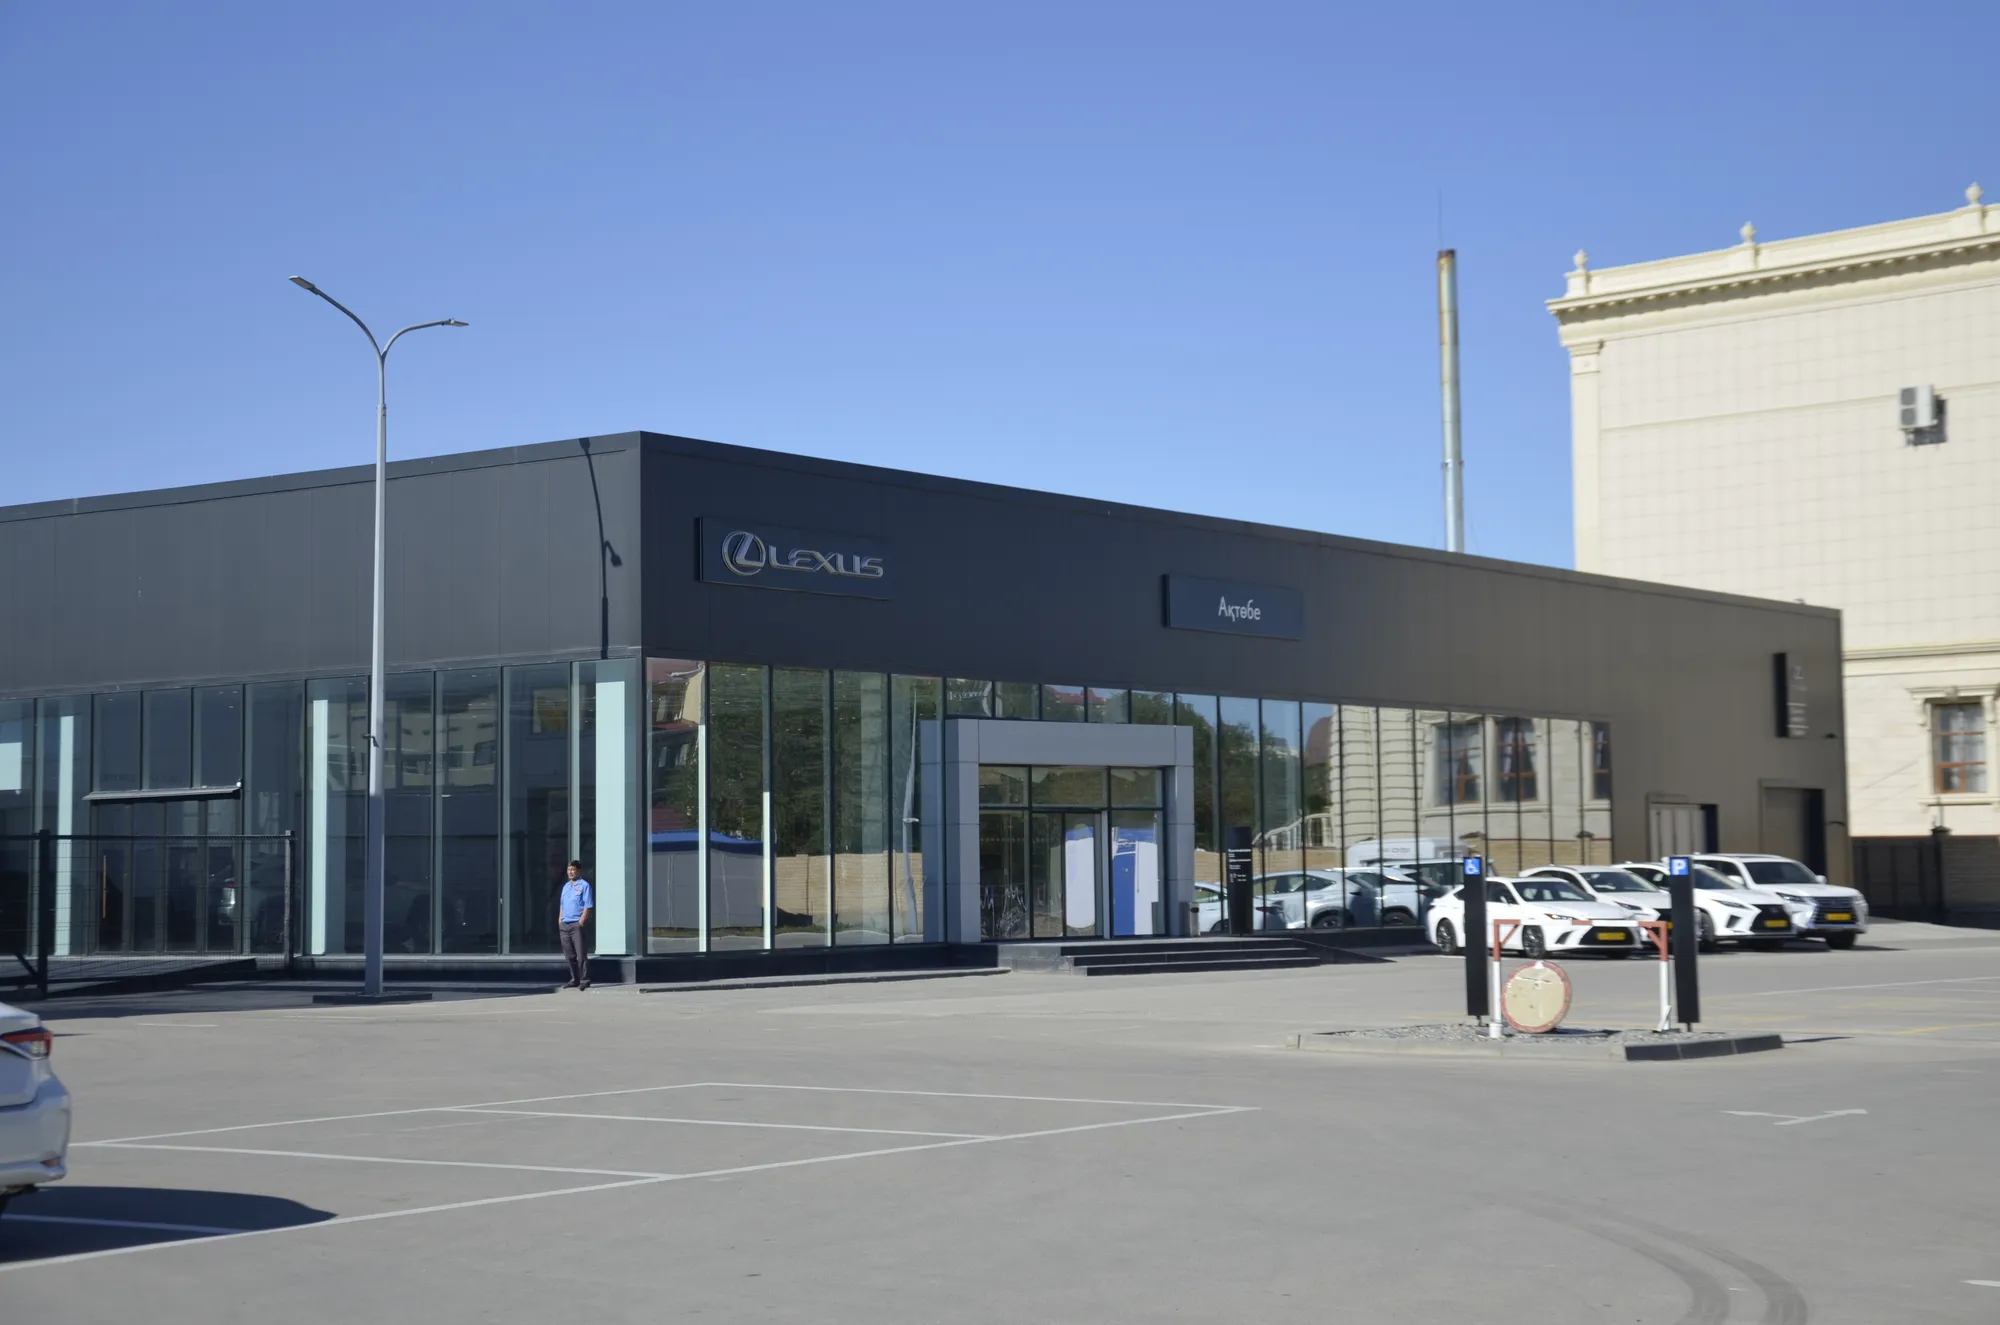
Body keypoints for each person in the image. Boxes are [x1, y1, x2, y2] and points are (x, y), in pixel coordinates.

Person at [558, 860, 593, 990]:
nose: (570, 872)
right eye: (569, 870)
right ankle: (574, 979)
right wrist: (560, 920)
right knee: (569, 955)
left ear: (579, 871)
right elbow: (562, 905)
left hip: (576, 924)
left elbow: (588, 906)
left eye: (573, 870)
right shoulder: (566, 886)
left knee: (581, 954)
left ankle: (584, 980)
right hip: (564, 925)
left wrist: (581, 922)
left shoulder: (584, 886)